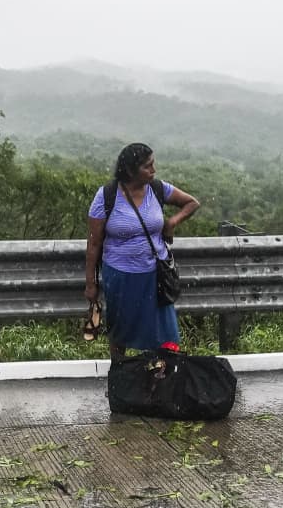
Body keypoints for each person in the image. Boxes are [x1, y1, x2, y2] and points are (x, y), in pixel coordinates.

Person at [84, 143, 201, 362]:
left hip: (155, 275)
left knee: (164, 332)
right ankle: (120, 373)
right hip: (121, 275)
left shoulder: (158, 189)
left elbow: (192, 203)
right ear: (130, 170)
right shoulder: (107, 196)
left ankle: (161, 375)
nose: (153, 170)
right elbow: (93, 244)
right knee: (121, 329)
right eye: (148, 166)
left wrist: (172, 222)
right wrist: (91, 284)